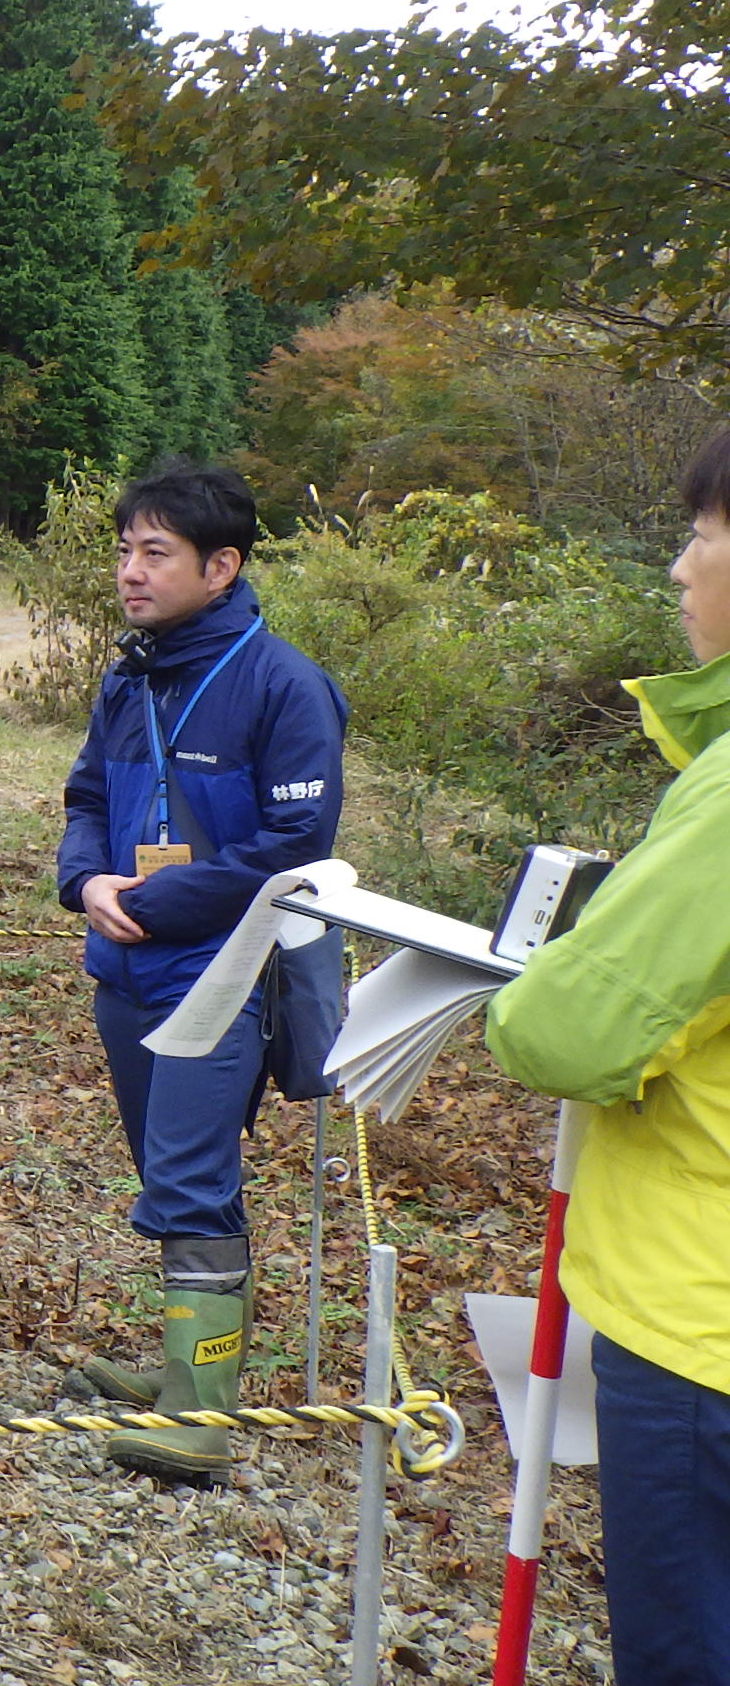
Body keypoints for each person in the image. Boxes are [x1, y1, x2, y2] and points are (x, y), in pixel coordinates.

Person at [485, 430, 730, 1682]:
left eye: (701, 535)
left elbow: (568, 1027)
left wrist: (541, 986)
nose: (680, 569)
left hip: (700, 1325)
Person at [54, 459, 347, 1480]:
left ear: (221, 567)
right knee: (164, 1170)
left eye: (155, 553)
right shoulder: (132, 677)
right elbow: (87, 798)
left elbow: (295, 844)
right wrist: (87, 881)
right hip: (126, 966)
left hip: (224, 974)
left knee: (190, 1179)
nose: (130, 572)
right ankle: (186, 1368)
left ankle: (202, 1415)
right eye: (124, 550)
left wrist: (156, 903)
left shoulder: (285, 685)